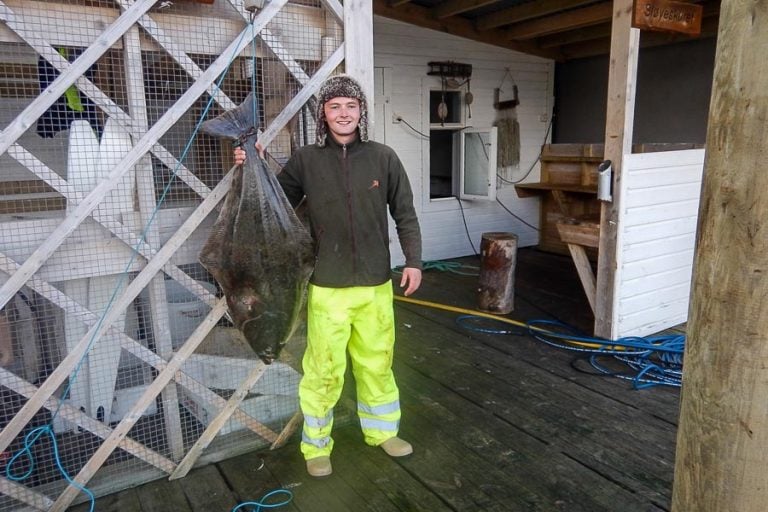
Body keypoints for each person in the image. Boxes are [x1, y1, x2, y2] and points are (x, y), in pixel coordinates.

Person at [234, 74, 423, 478]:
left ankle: (383, 431)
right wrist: (251, 164)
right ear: (324, 113)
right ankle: (316, 446)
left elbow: (405, 212)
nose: (343, 114)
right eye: (335, 106)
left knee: (378, 363)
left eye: (351, 106)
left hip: (376, 285)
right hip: (328, 287)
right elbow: (273, 203)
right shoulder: (306, 159)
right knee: (323, 369)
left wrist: (414, 261)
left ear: (361, 113)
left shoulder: (383, 157)